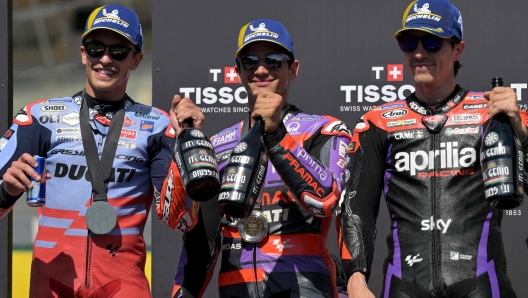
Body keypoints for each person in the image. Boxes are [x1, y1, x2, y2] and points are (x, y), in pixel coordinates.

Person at [0, 4, 201, 297]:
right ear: (83, 53)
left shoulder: (158, 126)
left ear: (136, 59)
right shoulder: (40, 117)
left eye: (118, 51)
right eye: (96, 48)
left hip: (122, 284)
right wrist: (7, 190)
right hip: (53, 283)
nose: (105, 58)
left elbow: (179, 219)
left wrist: (187, 143)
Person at [339, 0, 527, 297]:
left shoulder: (492, 114)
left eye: (432, 42)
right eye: (408, 41)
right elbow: (357, 206)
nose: (418, 52)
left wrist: (522, 132)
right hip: (405, 286)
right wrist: (356, 278)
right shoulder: (378, 122)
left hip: (481, 285)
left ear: (457, 50)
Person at [163, 19, 352, 298]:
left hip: (306, 287)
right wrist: (186, 142)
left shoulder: (322, 130)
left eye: (274, 61)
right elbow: (189, 231)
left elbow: (324, 200)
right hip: (236, 289)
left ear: (293, 69)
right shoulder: (218, 146)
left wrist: (277, 136)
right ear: (237, 71)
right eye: (250, 61)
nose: (261, 69)